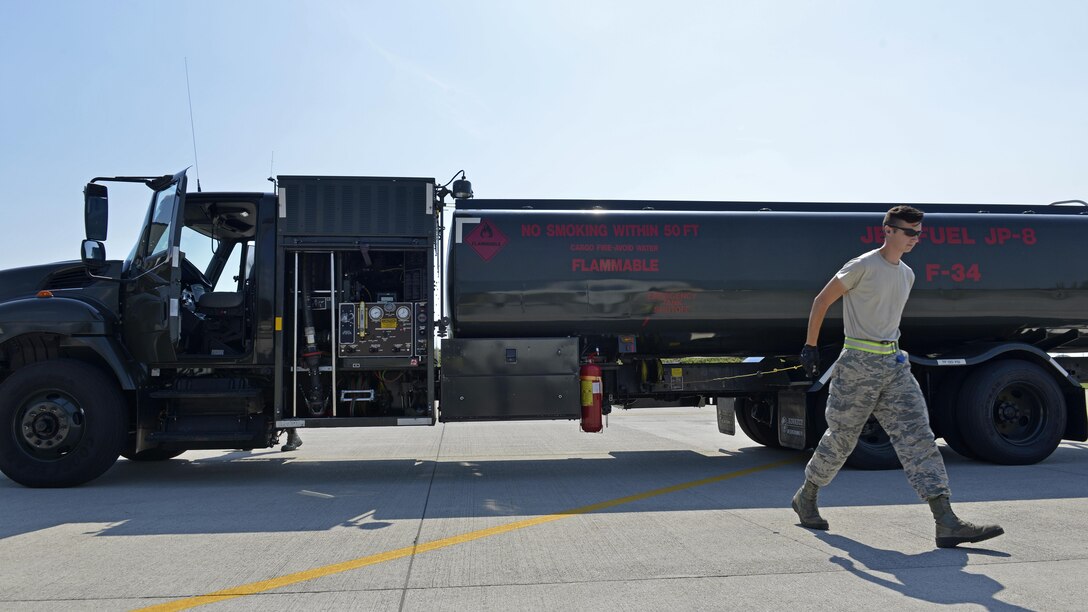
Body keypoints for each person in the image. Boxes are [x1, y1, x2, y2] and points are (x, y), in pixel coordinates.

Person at [793, 205, 1003, 549]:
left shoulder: (907, 274)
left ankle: (946, 520)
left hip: (893, 363)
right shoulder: (862, 266)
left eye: (919, 233)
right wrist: (810, 346)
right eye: (909, 232)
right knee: (842, 438)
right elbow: (821, 300)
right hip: (858, 364)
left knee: (919, 435)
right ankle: (807, 496)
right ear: (888, 230)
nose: (915, 239)